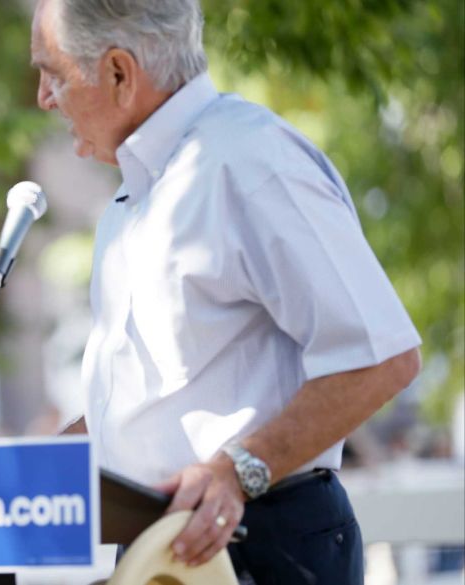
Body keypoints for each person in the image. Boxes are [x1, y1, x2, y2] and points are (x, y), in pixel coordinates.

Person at [29, 1, 422, 583]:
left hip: (257, 541)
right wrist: (29, 471)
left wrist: (237, 473)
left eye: (53, 72)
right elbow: (162, 401)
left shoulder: (251, 162)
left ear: (119, 72)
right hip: (162, 544)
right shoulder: (137, 195)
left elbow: (382, 356)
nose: (43, 96)